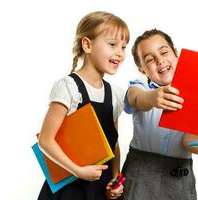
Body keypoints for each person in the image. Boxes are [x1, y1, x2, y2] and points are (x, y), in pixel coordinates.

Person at [122, 29, 198, 200]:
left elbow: (187, 140)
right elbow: (136, 99)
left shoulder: (195, 94)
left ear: (177, 54)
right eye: (150, 59)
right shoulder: (140, 87)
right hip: (141, 175)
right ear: (142, 70)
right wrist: (153, 97)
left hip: (179, 179)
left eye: (164, 52)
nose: (160, 60)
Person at [37, 11, 129, 200]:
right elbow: (45, 141)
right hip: (70, 190)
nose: (120, 53)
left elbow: (112, 143)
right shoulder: (69, 87)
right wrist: (78, 170)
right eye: (112, 44)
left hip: (100, 189)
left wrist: (115, 177)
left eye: (124, 47)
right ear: (87, 44)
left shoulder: (115, 94)